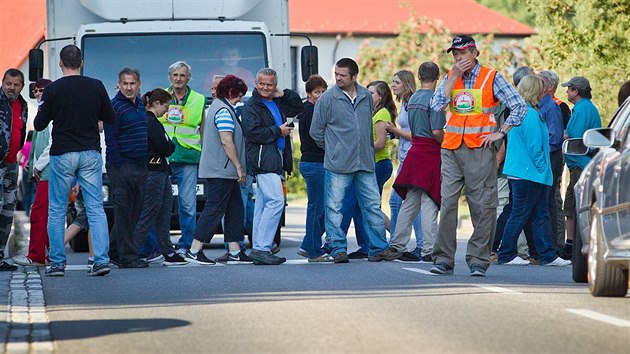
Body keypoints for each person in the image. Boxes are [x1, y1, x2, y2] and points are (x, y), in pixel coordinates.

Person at [429, 36, 527, 277]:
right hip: (451, 148)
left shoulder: (491, 77)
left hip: (480, 149)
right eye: (455, 54)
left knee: (482, 206)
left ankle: (478, 260)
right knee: (448, 203)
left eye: (462, 53)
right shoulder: (450, 77)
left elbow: (519, 106)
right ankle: (443, 259)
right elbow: (436, 105)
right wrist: (451, 78)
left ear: (474, 52)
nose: (458, 58)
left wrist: (500, 133)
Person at [34, 44, 116, 277]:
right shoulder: (96, 86)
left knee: (57, 209)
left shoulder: (53, 90)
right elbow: (109, 117)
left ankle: (58, 263)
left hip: (62, 153)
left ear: (60, 63)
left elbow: (40, 124)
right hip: (90, 152)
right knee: (95, 209)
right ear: (81, 63)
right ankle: (100, 260)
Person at [310, 57, 390, 263]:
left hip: (364, 162)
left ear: (354, 76)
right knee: (334, 208)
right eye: (336, 74)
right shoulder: (327, 99)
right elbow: (316, 131)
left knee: (372, 205)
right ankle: (337, 248)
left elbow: (365, 127)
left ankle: (378, 248)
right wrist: (335, 150)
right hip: (338, 163)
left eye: (342, 75)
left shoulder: (365, 95)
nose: (338, 78)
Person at [497, 75, 571, 267]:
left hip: (522, 172)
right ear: (535, 91)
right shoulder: (529, 115)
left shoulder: (519, 112)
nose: (544, 92)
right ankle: (506, 253)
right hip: (529, 173)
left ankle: (547, 255)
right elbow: (535, 147)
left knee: (539, 214)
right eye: (541, 89)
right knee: (522, 214)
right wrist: (542, 169)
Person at [186, 75, 253, 264]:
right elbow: (226, 140)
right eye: (239, 95)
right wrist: (239, 167)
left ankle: (234, 251)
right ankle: (194, 250)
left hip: (224, 170)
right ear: (232, 92)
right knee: (214, 209)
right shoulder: (224, 111)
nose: (241, 99)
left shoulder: (221, 107)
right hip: (222, 170)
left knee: (234, 209)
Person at [385, 62, 446, 262]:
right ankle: (429, 249)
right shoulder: (434, 99)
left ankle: (397, 244)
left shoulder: (412, 99)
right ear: (437, 78)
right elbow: (437, 131)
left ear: (419, 77)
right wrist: (447, 143)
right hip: (430, 153)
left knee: (410, 202)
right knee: (429, 202)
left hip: (414, 152)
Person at [241, 68, 302, 265]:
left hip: (275, 158)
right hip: (263, 160)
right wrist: (278, 131)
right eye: (262, 84)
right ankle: (262, 248)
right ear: (256, 84)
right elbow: (252, 132)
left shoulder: (276, 101)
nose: (265, 88)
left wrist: (283, 93)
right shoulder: (252, 106)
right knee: (276, 201)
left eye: (270, 85)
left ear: (275, 85)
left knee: (262, 205)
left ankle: (259, 246)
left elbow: (298, 106)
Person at [132, 88, 188, 266]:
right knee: (149, 214)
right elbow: (167, 147)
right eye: (166, 106)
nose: (167, 110)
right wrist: (169, 144)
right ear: (156, 104)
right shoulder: (151, 122)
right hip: (154, 172)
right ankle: (132, 251)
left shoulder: (149, 121)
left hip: (160, 172)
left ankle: (167, 251)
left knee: (163, 214)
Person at [340, 80, 396, 258]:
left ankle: (391, 240)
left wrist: (359, 146)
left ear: (381, 97)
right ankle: (366, 245)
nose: (367, 96)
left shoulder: (382, 114)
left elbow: (379, 144)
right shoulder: (370, 113)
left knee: (371, 206)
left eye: (372, 93)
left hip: (379, 164)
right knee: (361, 206)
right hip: (369, 163)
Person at [159, 61, 206, 256]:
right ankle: (161, 245)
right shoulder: (158, 96)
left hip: (188, 157)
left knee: (187, 205)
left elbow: (202, 129)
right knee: (160, 204)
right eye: (175, 75)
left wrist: (204, 154)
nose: (178, 79)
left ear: (188, 78)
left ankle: (187, 244)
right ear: (170, 77)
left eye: (182, 75)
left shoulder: (198, 99)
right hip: (163, 157)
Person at [492, 67, 538, 263]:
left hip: (510, 166)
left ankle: (521, 250)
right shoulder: (513, 107)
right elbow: (503, 142)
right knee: (509, 207)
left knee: (514, 207)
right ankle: (504, 249)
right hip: (509, 167)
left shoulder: (509, 105)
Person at [105, 67, 149, 268]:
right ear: (119, 84)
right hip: (123, 166)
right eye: (125, 84)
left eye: (132, 83)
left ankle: (114, 251)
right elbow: (111, 139)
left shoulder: (140, 104)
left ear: (139, 84)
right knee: (124, 212)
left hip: (140, 165)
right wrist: (119, 165)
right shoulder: (114, 106)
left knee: (134, 212)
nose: (129, 88)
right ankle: (128, 257)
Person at [561, 76, 602, 258]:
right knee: (571, 205)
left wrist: (564, 137)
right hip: (579, 165)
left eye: (569, 88)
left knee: (575, 205)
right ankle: (571, 243)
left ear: (576, 91)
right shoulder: (585, 108)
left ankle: (574, 245)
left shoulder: (582, 109)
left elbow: (574, 137)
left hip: (580, 164)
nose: (567, 92)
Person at [14, 79, 52, 267]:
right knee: (44, 214)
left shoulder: (51, 114)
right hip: (42, 172)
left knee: (39, 214)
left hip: (48, 173)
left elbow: (52, 145)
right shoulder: (42, 113)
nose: (38, 94)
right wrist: (31, 163)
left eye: (42, 91)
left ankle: (38, 255)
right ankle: (46, 254)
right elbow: (39, 145)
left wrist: (38, 165)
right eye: (35, 91)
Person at [386, 70, 423, 259]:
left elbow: (417, 134)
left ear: (407, 84)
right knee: (406, 202)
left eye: (397, 82)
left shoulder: (413, 103)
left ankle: (405, 245)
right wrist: (394, 133)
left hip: (412, 157)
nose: (393, 85)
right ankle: (398, 244)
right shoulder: (405, 103)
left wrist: (395, 130)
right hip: (404, 156)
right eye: (392, 82)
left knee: (404, 201)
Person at [296, 75, 331, 262]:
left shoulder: (312, 108)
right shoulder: (310, 111)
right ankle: (314, 251)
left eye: (324, 91)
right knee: (317, 208)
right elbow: (317, 137)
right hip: (315, 163)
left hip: (315, 163)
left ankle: (307, 244)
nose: (321, 95)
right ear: (309, 94)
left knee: (321, 208)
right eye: (317, 92)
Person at [0, 68, 28, 272]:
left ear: (22, 86)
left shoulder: (23, 105)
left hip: (11, 165)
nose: (11, 87)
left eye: (16, 84)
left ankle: (0, 256)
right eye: (8, 83)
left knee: (7, 212)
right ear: (3, 83)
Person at [537, 73, 565, 254]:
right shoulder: (540, 105)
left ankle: (553, 246)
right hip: (543, 158)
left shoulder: (552, 107)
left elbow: (554, 139)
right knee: (543, 202)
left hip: (550, 159)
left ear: (546, 87)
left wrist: (538, 153)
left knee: (549, 202)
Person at [17, 131, 35, 216]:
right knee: (34, 191)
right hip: (34, 170)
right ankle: (33, 210)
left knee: (26, 191)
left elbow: (18, 159)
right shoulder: (35, 145)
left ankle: (27, 211)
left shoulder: (25, 145)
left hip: (25, 170)